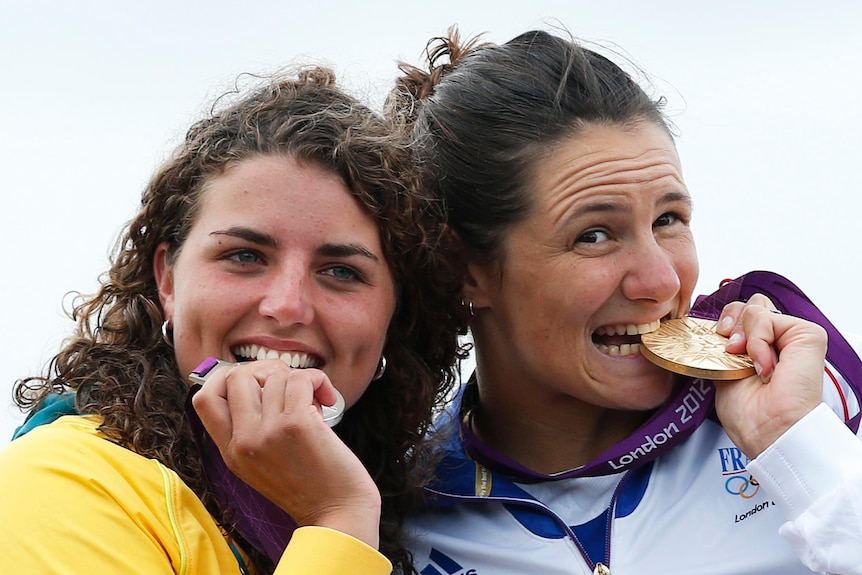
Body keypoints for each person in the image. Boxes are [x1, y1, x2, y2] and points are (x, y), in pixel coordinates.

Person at [386, 28, 862, 574]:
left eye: (668, 220)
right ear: (463, 271)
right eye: (594, 235)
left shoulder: (815, 420)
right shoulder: (395, 515)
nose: (659, 281)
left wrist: (795, 447)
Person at [0, 66, 465, 574]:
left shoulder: (424, 523)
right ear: (168, 281)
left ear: (392, 317)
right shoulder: (61, 481)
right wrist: (336, 521)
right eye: (244, 256)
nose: (287, 306)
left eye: (340, 271)